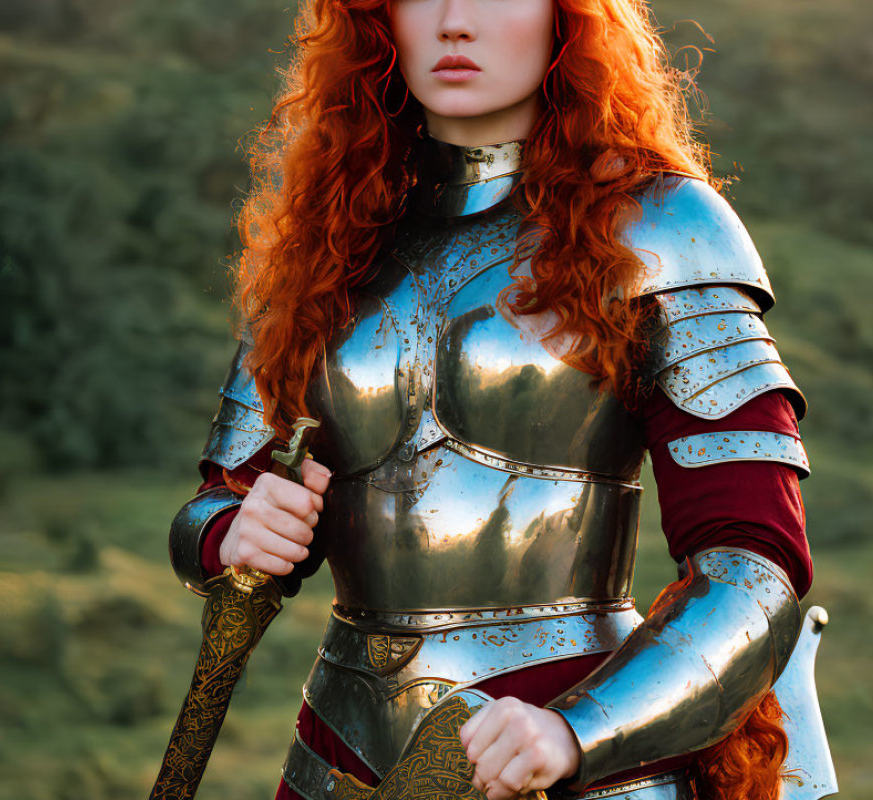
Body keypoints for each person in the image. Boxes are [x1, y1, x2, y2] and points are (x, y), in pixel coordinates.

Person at [168, 0, 822, 798]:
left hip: (571, 756)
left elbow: (754, 561)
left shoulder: (662, 228)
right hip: (336, 754)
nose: (452, 21)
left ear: (567, 18)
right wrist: (234, 536)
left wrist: (579, 729)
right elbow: (219, 501)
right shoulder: (329, 237)